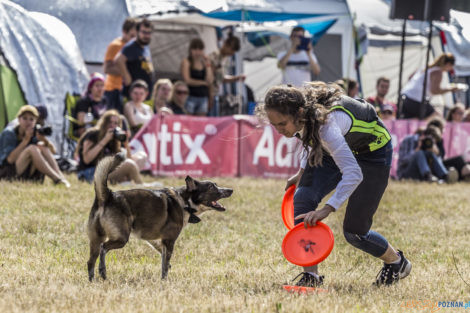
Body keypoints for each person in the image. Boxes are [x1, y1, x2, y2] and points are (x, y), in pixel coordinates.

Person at [257, 82, 411, 287]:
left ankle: (397, 263)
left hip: (373, 153)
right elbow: (308, 138)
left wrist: (327, 209)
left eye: (282, 124)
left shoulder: (327, 126)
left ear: (299, 113)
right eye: (274, 125)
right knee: (302, 198)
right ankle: (311, 277)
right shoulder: (304, 116)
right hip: (338, 149)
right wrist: (301, 173)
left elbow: (353, 173)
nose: (279, 131)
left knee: (354, 232)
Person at [0, 105, 70, 187]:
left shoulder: (33, 132)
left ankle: (61, 177)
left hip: (23, 172)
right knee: (32, 149)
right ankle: (56, 180)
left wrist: (44, 140)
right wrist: (25, 141)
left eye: (31, 119)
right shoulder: (9, 133)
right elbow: (9, 160)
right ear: (19, 119)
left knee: (42, 147)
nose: (28, 122)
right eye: (24, 118)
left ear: (35, 121)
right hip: (5, 173)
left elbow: (53, 151)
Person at [75, 110, 143, 184]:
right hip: (88, 173)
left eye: (115, 123)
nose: (112, 125)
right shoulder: (92, 134)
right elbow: (87, 160)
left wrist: (126, 143)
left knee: (138, 159)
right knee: (129, 165)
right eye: (110, 122)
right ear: (104, 123)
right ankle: (141, 186)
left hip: (103, 171)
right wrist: (104, 140)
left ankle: (128, 183)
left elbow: (127, 159)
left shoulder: (114, 138)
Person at [401, 53, 459, 119]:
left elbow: (410, 78)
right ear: (448, 64)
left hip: (405, 97)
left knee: (413, 120)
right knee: (437, 117)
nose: (450, 69)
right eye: (451, 67)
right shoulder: (438, 72)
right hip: (416, 100)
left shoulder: (426, 67)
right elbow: (434, 90)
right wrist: (450, 89)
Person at [103, 18, 137, 113]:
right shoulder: (116, 45)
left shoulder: (136, 47)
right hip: (114, 90)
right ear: (124, 32)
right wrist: (126, 70)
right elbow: (107, 69)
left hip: (129, 91)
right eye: (132, 36)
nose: (134, 39)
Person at [115, 18, 153, 99]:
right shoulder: (132, 46)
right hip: (133, 96)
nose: (146, 36)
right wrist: (127, 77)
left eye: (149, 33)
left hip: (145, 95)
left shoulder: (145, 47)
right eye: (144, 32)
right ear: (137, 32)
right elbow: (118, 59)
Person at [208, 33, 245, 116]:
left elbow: (221, 78)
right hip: (207, 94)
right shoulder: (213, 56)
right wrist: (210, 96)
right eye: (232, 50)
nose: (232, 53)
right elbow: (209, 79)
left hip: (215, 95)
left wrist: (236, 78)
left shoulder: (225, 59)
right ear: (225, 45)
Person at [181, 38, 213, 116]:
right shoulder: (187, 62)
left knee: (200, 124)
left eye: (200, 49)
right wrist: (203, 83)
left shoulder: (204, 63)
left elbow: (209, 81)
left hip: (203, 98)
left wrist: (208, 65)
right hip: (190, 97)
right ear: (190, 50)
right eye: (195, 49)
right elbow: (187, 80)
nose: (197, 52)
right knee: (188, 123)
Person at [73, 73, 108, 138]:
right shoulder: (84, 101)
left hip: (101, 129)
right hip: (86, 131)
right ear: (90, 88)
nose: (100, 89)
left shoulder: (104, 100)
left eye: (102, 85)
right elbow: (81, 122)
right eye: (97, 86)